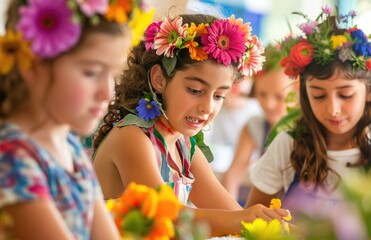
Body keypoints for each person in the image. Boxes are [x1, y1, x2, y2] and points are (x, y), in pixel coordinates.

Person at [92, 13, 290, 236]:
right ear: (159, 79)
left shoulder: (184, 144)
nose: (207, 107)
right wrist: (243, 219)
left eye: (219, 96)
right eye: (195, 91)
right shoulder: (133, 137)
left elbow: (229, 210)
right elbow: (165, 216)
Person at [246, 6, 371, 221]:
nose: (333, 109)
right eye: (319, 96)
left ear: (369, 91)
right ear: (305, 94)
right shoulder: (287, 146)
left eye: (346, 95)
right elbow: (250, 222)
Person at [0, 0, 150, 239]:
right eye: (92, 72)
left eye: (112, 74)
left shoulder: (69, 145)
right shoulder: (11, 159)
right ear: (34, 64)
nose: (107, 93)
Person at [221, 43, 296, 203]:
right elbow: (233, 175)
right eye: (262, 94)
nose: (268, 104)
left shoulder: (303, 130)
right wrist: (230, 213)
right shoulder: (255, 126)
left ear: (297, 92)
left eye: (278, 97)